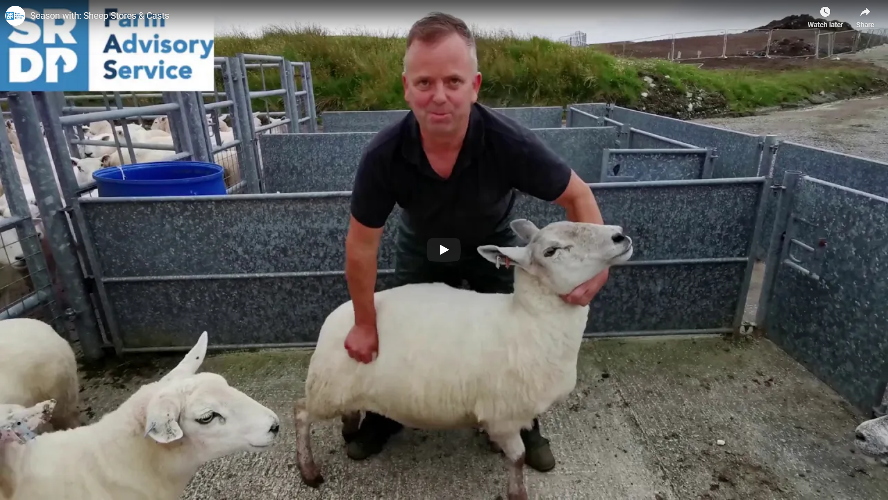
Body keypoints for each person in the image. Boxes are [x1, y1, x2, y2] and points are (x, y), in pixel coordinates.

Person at [341, 12, 610, 473]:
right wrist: (364, 322)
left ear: (475, 85)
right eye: (424, 82)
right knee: (406, 327)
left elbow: (578, 195)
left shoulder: (508, 143)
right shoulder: (384, 155)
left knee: (517, 334)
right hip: (432, 247)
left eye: (453, 80)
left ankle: (524, 421)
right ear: (406, 86)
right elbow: (362, 244)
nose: (439, 95)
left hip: (495, 245)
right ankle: (387, 413)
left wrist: (597, 267)